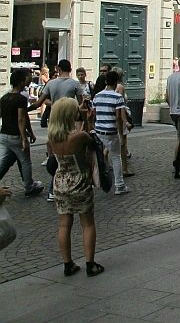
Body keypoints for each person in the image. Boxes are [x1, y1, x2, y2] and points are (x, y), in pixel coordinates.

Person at [47, 97, 103, 277]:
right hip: (79, 181)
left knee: (64, 225)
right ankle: (90, 263)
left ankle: (67, 264)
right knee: (87, 223)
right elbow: (90, 140)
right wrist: (86, 118)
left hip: (60, 182)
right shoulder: (79, 137)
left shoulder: (52, 136)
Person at [0, 69, 44, 197]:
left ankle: (29, 185)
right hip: (15, 136)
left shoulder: (4, 98)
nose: (29, 79)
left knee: (4, 161)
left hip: (4, 134)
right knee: (25, 161)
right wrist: (24, 137)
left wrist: (29, 130)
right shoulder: (20, 98)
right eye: (27, 77)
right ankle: (29, 187)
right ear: (21, 81)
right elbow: (21, 118)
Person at [91, 69, 129, 195]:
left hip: (99, 130)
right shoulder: (118, 97)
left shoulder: (97, 96)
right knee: (116, 157)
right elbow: (118, 117)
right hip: (111, 131)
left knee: (98, 158)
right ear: (116, 82)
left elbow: (94, 114)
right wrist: (121, 134)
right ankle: (119, 185)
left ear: (106, 81)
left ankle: (97, 183)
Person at [75, 68, 93, 132]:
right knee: (78, 124)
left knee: (88, 124)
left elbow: (93, 95)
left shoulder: (90, 84)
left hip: (88, 107)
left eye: (82, 75)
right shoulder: (76, 85)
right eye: (79, 75)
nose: (80, 76)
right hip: (78, 107)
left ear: (85, 75)